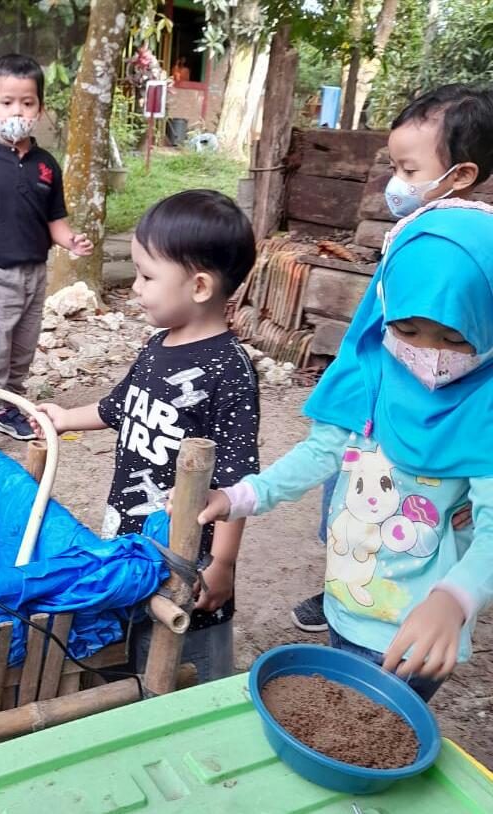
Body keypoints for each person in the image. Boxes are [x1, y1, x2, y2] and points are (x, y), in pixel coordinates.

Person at [198, 201, 493, 702]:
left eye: (454, 338)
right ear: (384, 307)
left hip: (416, 631)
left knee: (373, 733)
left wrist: (454, 599)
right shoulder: (367, 375)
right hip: (346, 602)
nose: (428, 354)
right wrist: (244, 496)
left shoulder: (483, 414)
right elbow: (320, 453)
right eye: (407, 329)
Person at [31, 190, 260, 683]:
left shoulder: (229, 372)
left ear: (199, 286)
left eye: (147, 276)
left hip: (188, 556)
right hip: (132, 536)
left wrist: (222, 563)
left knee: (191, 658)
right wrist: (66, 417)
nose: (135, 287)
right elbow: (120, 407)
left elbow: (237, 483)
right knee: (137, 634)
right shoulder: (157, 346)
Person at [291, 83, 493, 634]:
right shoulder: (413, 231)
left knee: (418, 505)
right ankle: (346, 579)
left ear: (462, 175)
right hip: (378, 380)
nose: (395, 185)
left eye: (408, 169)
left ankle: (423, 597)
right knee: (348, 497)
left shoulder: (466, 247)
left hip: (433, 405)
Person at [0, 53, 93, 444]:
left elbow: (54, 221)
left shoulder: (47, 166)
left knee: (22, 351)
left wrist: (71, 240)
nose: (17, 110)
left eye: (27, 103)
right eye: (7, 102)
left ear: (40, 109)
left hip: (34, 274)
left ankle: (9, 409)